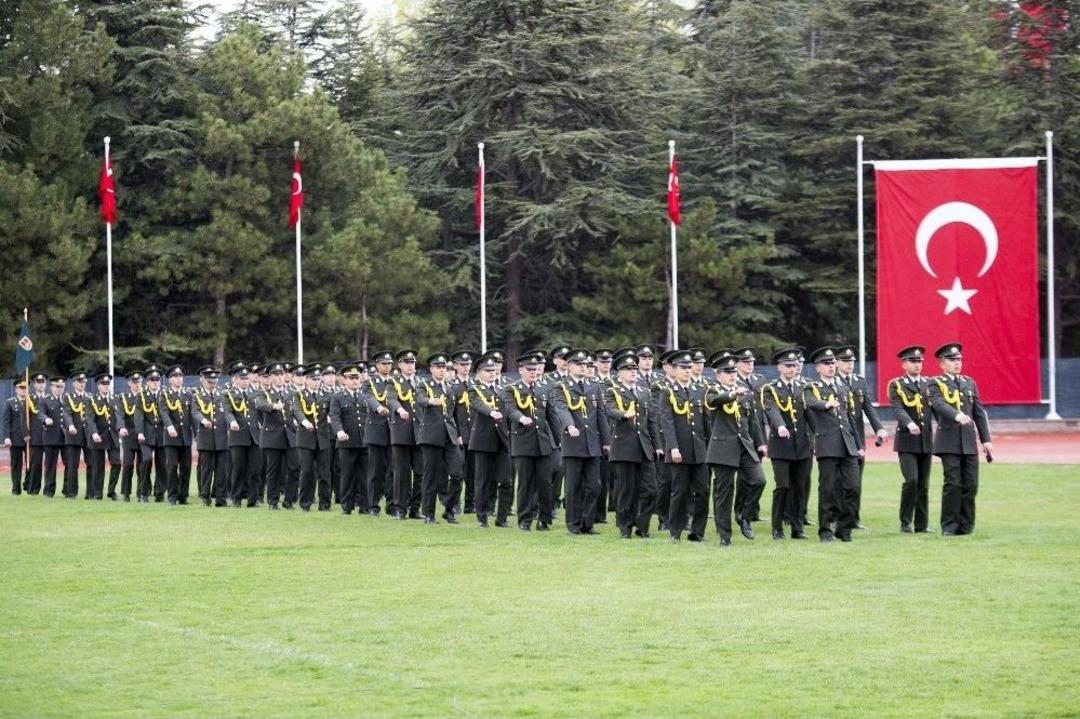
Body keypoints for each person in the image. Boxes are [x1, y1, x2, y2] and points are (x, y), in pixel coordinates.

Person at [927, 342, 992, 536]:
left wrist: (986, 439)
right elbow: (938, 404)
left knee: (971, 484)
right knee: (953, 483)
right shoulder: (935, 383)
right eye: (952, 360)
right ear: (942, 363)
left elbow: (978, 412)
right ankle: (949, 526)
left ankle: (966, 526)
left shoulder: (969, 383)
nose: (957, 363)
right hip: (949, 441)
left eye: (959, 359)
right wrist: (957, 415)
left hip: (968, 441)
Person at [704, 354, 767, 545]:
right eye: (727, 372)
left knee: (759, 481)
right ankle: (725, 536)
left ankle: (743, 515)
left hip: (745, 446)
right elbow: (714, 402)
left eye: (733, 371)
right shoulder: (712, 390)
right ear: (718, 375)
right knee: (724, 493)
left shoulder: (744, 391)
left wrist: (760, 443)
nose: (732, 375)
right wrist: (732, 395)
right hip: (723, 448)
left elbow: (753, 421)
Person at [802, 347, 862, 542]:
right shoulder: (812, 387)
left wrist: (858, 444)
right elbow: (811, 402)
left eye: (832, 363)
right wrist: (826, 404)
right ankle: (825, 530)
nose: (830, 367)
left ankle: (844, 529)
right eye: (826, 364)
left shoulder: (843, 387)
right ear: (818, 368)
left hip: (847, 444)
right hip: (828, 444)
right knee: (827, 489)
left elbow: (849, 418)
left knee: (853, 487)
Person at [603, 350, 662, 539]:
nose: (633, 372)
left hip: (644, 448)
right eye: (628, 369)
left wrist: (657, 445)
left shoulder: (644, 392)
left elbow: (651, 421)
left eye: (634, 369)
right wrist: (623, 414)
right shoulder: (613, 391)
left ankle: (642, 525)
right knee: (626, 491)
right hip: (623, 448)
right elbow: (609, 409)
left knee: (651, 490)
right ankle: (625, 528)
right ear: (620, 372)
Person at [553, 348, 611, 535]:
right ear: (569, 365)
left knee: (594, 486)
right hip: (573, 444)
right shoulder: (561, 387)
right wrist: (569, 426)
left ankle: (588, 523)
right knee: (573, 487)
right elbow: (561, 409)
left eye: (585, 364)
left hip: (592, 444)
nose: (583, 367)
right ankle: (573, 523)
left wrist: (607, 441)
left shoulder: (594, 386)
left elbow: (600, 415)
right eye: (578, 364)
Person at [505, 351, 561, 531]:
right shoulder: (512, 389)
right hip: (523, 443)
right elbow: (510, 409)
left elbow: (552, 415)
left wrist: (559, 441)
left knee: (545, 483)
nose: (533, 372)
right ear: (521, 370)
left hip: (543, 442)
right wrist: (521, 418)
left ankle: (544, 519)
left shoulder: (544, 388)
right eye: (529, 369)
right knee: (525, 484)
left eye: (535, 369)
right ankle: (525, 519)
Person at [657, 350, 709, 542]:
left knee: (703, 491)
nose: (687, 370)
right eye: (683, 368)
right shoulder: (667, 392)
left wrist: (710, 447)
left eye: (689, 367)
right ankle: (675, 531)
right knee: (680, 492)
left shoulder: (700, 390)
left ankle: (697, 532)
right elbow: (667, 422)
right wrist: (673, 447)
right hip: (679, 450)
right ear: (674, 369)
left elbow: (706, 421)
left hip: (699, 450)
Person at [761, 348, 812, 539]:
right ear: (779, 367)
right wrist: (780, 426)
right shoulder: (770, 389)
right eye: (788, 365)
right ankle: (777, 527)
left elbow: (810, 413)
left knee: (799, 488)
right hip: (781, 446)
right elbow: (771, 409)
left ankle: (797, 528)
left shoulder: (804, 387)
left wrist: (818, 435)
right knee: (783, 486)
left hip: (802, 445)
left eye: (794, 365)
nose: (792, 368)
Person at [836, 345, 888, 528]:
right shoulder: (832, 382)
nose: (849, 364)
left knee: (856, 482)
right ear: (837, 363)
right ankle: (837, 518)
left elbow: (867, 407)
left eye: (851, 361)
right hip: (839, 438)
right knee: (838, 481)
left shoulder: (859, 381)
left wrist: (879, 428)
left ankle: (853, 519)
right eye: (845, 361)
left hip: (858, 438)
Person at [887, 345, 935, 533]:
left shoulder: (929, 384)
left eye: (919, 361)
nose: (917, 365)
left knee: (923, 484)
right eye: (913, 361)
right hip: (907, 441)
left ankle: (922, 525)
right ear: (904, 364)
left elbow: (937, 408)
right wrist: (909, 423)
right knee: (912, 481)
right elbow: (897, 408)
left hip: (925, 440)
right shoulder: (896, 385)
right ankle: (905, 521)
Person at [414, 353, 464, 524]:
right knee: (431, 476)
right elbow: (420, 399)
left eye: (444, 367)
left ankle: (449, 508)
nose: (442, 370)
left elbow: (454, 414)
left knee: (457, 474)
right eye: (438, 367)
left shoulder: (450, 389)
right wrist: (431, 401)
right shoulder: (423, 385)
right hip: (431, 436)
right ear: (431, 369)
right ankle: (428, 514)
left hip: (450, 436)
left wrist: (458, 435)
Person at [467, 351, 512, 528]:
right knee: (483, 481)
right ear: (479, 372)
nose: (492, 373)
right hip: (483, 441)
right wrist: (491, 412)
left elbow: (510, 410)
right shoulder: (475, 389)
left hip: (502, 440)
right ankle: (482, 517)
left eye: (494, 370)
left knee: (506, 481)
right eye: (488, 370)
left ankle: (502, 518)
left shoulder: (503, 389)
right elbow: (478, 404)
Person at [387, 350, 424, 520]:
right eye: (406, 362)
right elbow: (391, 399)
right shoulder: (393, 381)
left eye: (412, 362)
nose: (410, 366)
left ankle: (415, 508)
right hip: (401, 431)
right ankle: (400, 508)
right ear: (400, 365)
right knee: (402, 472)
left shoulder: (420, 382)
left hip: (419, 431)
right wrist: (400, 410)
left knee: (420, 471)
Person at [330, 361, 368, 515]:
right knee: (347, 475)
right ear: (344, 380)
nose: (354, 381)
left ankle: (365, 506)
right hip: (347, 442)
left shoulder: (365, 396)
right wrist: (339, 431)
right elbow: (335, 417)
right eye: (351, 378)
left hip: (364, 441)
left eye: (356, 377)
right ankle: (347, 506)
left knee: (365, 475)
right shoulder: (338, 397)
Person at [292, 365, 331, 512]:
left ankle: (325, 504)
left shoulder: (326, 395)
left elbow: (332, 412)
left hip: (323, 438)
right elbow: (297, 410)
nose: (316, 382)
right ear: (307, 380)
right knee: (306, 472)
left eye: (318, 379)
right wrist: (304, 422)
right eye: (313, 379)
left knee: (324, 473)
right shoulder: (299, 395)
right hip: (306, 438)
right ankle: (305, 503)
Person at [191, 366, 230, 506]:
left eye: (214, 382)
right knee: (206, 471)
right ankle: (205, 497)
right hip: (206, 438)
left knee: (222, 472)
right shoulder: (197, 396)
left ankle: (221, 499)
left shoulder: (223, 395)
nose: (212, 384)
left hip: (221, 438)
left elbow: (228, 412)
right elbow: (195, 412)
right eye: (209, 382)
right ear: (203, 381)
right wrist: (203, 420)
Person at [254, 362, 291, 510]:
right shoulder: (264, 393)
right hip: (272, 436)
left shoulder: (291, 393)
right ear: (270, 377)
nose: (279, 377)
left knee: (294, 468)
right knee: (273, 471)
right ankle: (272, 501)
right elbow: (260, 404)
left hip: (290, 436)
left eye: (281, 374)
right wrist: (273, 406)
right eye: (276, 375)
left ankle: (289, 500)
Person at [362, 351, 394, 516]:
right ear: (377, 365)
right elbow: (368, 398)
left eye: (389, 364)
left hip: (394, 431)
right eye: (383, 363)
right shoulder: (370, 382)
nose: (387, 366)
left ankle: (392, 504)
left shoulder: (396, 381)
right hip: (376, 431)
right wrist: (379, 407)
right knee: (375, 471)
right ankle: (373, 506)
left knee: (393, 470)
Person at [159, 365, 192, 505]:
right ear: (170, 379)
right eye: (175, 377)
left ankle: (183, 496)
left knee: (186, 467)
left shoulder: (188, 394)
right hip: (171, 436)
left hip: (185, 436)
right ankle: (172, 495)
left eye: (180, 376)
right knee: (172, 466)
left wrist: (197, 432)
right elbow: (164, 412)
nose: (179, 379)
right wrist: (169, 426)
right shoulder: (165, 394)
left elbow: (192, 414)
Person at [135, 365, 167, 503]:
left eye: (157, 379)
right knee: (146, 460)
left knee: (162, 464)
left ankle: (160, 492)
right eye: (152, 380)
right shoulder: (141, 395)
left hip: (162, 434)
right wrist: (140, 432)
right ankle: (143, 492)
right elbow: (139, 415)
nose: (155, 382)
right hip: (146, 434)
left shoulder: (164, 394)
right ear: (147, 382)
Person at [113, 372, 144, 502]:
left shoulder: (145, 396)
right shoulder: (123, 397)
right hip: (128, 434)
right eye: (134, 382)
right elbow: (119, 414)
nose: (136, 385)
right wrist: (121, 427)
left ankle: (142, 493)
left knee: (142, 465)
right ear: (129, 383)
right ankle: (126, 493)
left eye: (138, 382)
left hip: (143, 434)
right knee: (127, 464)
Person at [61, 371, 91, 500]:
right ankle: (71, 492)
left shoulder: (89, 396)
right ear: (74, 383)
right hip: (74, 434)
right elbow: (67, 413)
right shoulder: (68, 396)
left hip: (88, 434)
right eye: (80, 382)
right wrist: (70, 425)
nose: (82, 384)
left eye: (84, 382)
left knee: (91, 463)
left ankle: (91, 493)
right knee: (73, 464)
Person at [2, 377, 30, 494]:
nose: (24, 390)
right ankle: (16, 489)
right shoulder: (10, 402)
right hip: (15, 438)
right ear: (16, 389)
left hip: (30, 439)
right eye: (21, 388)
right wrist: (6, 437)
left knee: (31, 464)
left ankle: (28, 486)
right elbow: (6, 422)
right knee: (16, 465)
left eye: (25, 388)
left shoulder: (31, 402)